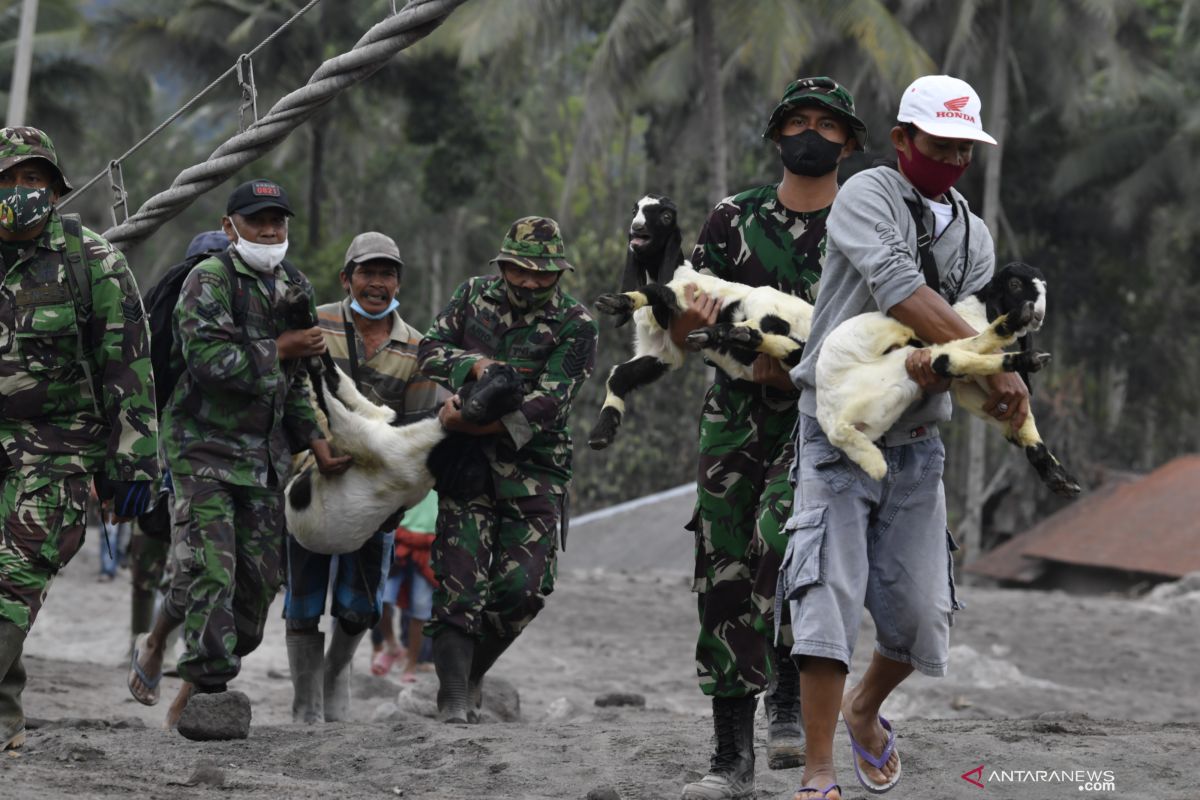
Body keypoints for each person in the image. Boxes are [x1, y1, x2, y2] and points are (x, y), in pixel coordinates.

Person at [784, 75, 1021, 800]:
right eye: (938, 144)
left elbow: (962, 334)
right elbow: (899, 289)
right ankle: (819, 773)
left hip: (917, 441)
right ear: (902, 140)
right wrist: (996, 361)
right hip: (837, 429)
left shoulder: (975, 236)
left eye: (962, 150)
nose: (951, 158)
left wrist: (974, 376)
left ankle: (865, 708)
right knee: (826, 598)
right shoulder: (867, 194)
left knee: (923, 616)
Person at [668, 79, 866, 800]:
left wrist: (804, 374)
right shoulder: (733, 218)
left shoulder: (865, 220)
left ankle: (788, 697)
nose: (811, 134)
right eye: (797, 122)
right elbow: (687, 325)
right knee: (725, 570)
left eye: (827, 125)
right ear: (777, 133)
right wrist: (664, 288)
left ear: (851, 141)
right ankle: (729, 756)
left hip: (825, 418)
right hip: (734, 419)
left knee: (790, 549)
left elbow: (883, 329)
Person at [127, 179, 349, 730]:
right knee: (210, 574)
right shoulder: (209, 280)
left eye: (279, 220)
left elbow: (295, 383)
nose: (271, 230)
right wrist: (280, 347)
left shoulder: (294, 284)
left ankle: (162, 645)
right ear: (231, 227)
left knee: (256, 588)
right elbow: (206, 360)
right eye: (258, 220)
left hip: (264, 459)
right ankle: (204, 699)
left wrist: (317, 442)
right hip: (201, 451)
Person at [0, 126, 160, 750]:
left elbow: (131, 366)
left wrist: (133, 467)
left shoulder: (91, 261)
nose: (20, 192)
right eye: (8, 180)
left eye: (33, 180)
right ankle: (6, 718)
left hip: (59, 447)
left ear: (56, 189)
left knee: (14, 577)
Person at [418, 216, 597, 724]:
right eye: (521, 271)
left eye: (544, 275)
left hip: (535, 467)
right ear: (503, 265)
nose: (531, 283)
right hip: (466, 467)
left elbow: (551, 404)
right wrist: (472, 368)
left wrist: (472, 421)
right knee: (458, 582)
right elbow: (428, 350)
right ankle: (452, 695)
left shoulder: (577, 324)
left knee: (524, 590)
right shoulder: (471, 296)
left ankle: (473, 672)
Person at [283, 231, 445, 723]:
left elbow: (420, 427)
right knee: (303, 597)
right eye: (367, 272)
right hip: (309, 479)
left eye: (387, 273)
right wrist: (314, 447)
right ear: (346, 277)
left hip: (374, 496)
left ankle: (336, 677)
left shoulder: (417, 346)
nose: (377, 283)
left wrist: (398, 497)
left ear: (398, 282)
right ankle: (305, 701)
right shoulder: (317, 324)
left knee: (359, 604)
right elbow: (289, 392)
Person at [369, 490, 438, 682]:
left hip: (429, 545)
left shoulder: (445, 470)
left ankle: (411, 663)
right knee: (381, 599)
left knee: (421, 610)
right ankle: (391, 646)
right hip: (397, 539)